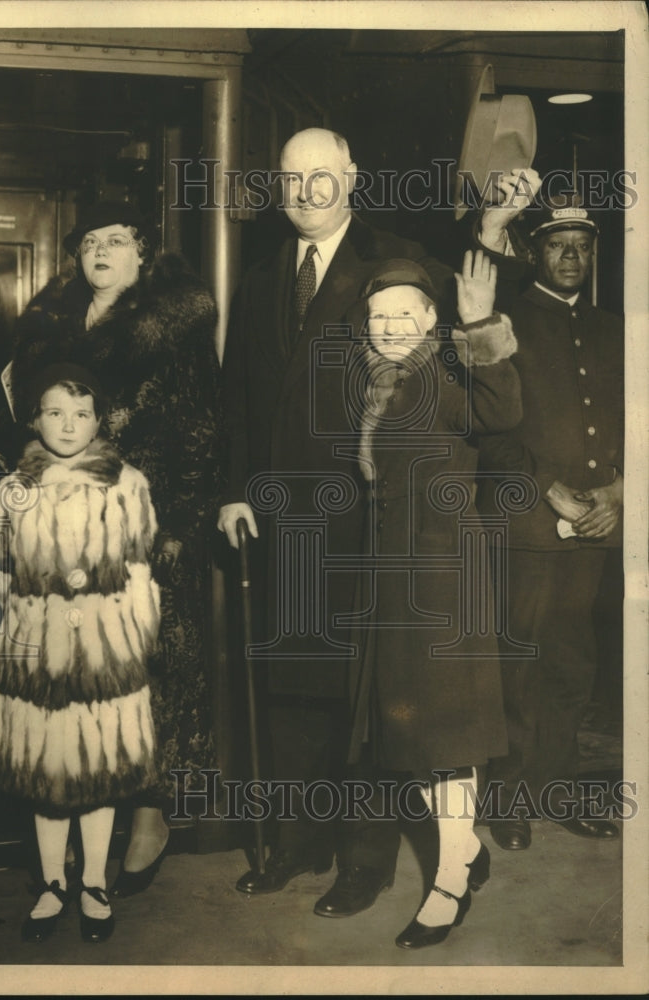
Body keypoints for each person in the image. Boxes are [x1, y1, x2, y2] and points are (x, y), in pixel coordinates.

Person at [219, 127, 456, 916]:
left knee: (364, 700)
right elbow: (240, 401)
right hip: (282, 521)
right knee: (290, 690)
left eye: (321, 175)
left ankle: (364, 859)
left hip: (366, 520)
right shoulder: (257, 282)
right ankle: (296, 842)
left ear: (351, 177)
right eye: (291, 178)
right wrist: (235, 489)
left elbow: (438, 381)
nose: (306, 191)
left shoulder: (396, 261)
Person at [7, 201, 222, 897]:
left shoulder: (177, 324)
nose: (101, 251)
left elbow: (200, 425)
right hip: (65, 524)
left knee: (148, 670)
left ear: (143, 256)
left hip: (147, 523)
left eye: (117, 240)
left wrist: (178, 525)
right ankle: (71, 813)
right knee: (74, 672)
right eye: (90, 242)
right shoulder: (49, 326)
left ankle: (149, 814)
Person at [347, 252, 520, 948]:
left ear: (429, 318)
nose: (388, 327)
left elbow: (504, 414)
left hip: (446, 569)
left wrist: (480, 322)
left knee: (448, 733)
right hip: (393, 571)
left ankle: (448, 883)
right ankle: (466, 849)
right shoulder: (374, 379)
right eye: (377, 317)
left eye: (403, 315)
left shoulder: (452, 365)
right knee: (408, 733)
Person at [0, 363, 159, 942]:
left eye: (81, 413)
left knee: (97, 764)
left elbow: (139, 568)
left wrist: (135, 635)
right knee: (45, 765)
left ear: (99, 421)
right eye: (55, 412)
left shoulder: (127, 484)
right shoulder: (15, 486)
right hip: (36, 649)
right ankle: (51, 882)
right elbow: (1, 570)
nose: (68, 424)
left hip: (103, 648)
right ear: (34, 419)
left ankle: (92, 881)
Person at [476, 198, 624, 850]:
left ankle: (556, 788)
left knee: (573, 660)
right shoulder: (505, 323)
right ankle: (504, 798)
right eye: (558, 245)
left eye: (582, 246)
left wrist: (619, 492)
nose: (571, 257)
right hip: (526, 523)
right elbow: (486, 431)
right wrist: (545, 490)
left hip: (597, 523)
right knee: (519, 659)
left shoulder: (614, 327)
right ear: (533, 252)